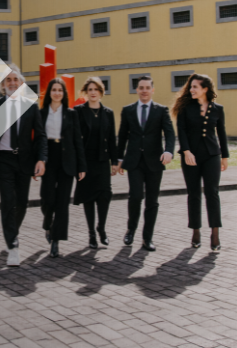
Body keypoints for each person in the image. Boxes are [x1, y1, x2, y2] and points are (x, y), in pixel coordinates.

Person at [0, 64, 47, 266]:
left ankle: (12, 233)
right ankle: (13, 245)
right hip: (3, 160)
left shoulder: (31, 105)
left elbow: (40, 136)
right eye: (8, 80)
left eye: (15, 79)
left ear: (21, 83)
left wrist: (41, 159)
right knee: (8, 201)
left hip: (24, 160)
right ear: (3, 84)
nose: (12, 83)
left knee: (21, 203)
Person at [117, 75, 175, 251]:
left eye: (147, 88)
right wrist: (119, 159)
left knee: (152, 201)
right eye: (141, 88)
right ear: (137, 90)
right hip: (134, 162)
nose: (144, 91)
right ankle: (131, 229)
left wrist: (168, 151)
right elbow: (122, 136)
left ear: (152, 90)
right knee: (135, 197)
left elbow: (170, 133)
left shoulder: (161, 110)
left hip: (154, 162)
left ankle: (147, 238)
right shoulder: (128, 110)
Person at [172, 73, 229, 251]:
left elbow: (221, 133)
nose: (191, 89)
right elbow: (181, 130)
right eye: (191, 87)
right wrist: (186, 151)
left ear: (205, 89)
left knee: (212, 193)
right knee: (194, 194)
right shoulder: (185, 107)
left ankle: (215, 233)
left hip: (212, 156)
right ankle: (196, 231)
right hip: (191, 157)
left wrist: (225, 156)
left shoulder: (217, 109)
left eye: (195, 87)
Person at [40, 78, 86, 258]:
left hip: (67, 159)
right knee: (47, 198)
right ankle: (47, 223)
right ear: (49, 93)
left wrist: (81, 166)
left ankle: (55, 240)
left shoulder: (71, 114)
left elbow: (77, 140)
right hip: (48, 158)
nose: (57, 93)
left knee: (62, 202)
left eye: (60, 90)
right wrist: (36, 162)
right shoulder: (41, 113)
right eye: (54, 90)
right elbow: (37, 141)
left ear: (64, 93)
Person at [74, 77, 118, 249]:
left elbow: (112, 139)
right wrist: (79, 164)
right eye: (90, 89)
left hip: (102, 161)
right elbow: (76, 139)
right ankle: (91, 233)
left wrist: (114, 161)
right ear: (86, 92)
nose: (93, 92)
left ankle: (101, 228)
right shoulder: (79, 111)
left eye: (96, 89)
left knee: (105, 195)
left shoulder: (108, 112)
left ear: (101, 92)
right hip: (86, 162)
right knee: (88, 197)